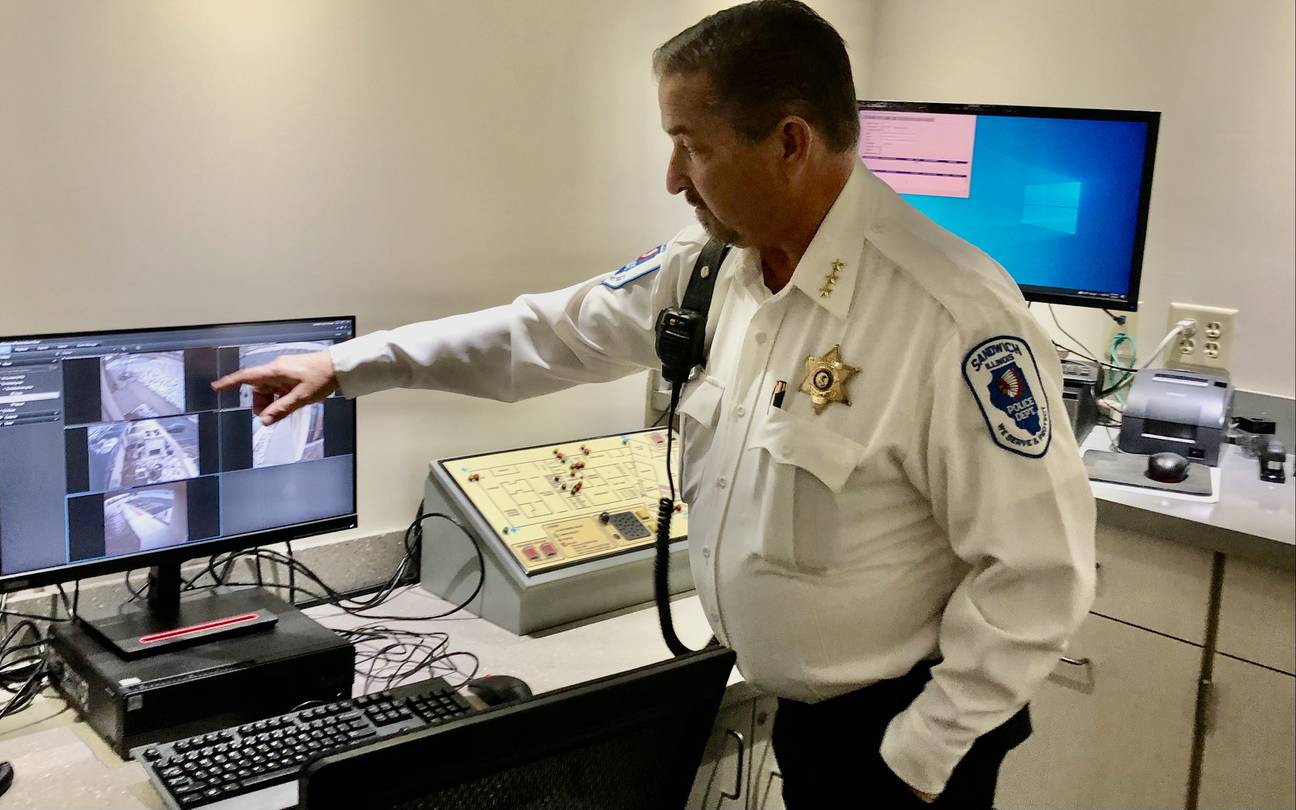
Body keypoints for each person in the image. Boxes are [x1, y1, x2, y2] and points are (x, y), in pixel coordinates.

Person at [212, 2, 1096, 806]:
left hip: (903, 745)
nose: (674, 176)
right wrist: (351, 364)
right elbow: (549, 333)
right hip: (803, 717)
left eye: (693, 145)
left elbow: (1037, 578)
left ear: (790, 142)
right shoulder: (711, 268)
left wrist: (915, 760)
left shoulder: (949, 317)